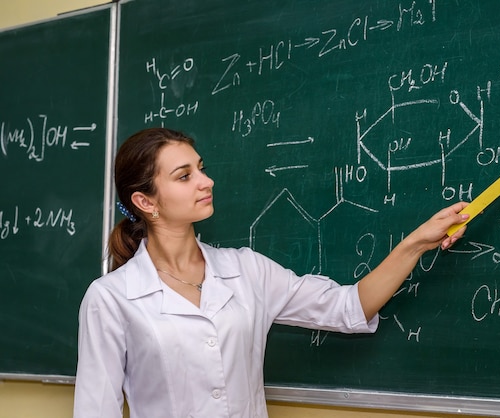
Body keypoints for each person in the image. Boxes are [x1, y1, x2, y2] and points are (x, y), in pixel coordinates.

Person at [73, 127, 469, 418]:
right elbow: (96, 409)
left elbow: (348, 306)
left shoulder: (246, 269)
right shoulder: (111, 298)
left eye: (201, 168)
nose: (206, 181)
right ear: (145, 201)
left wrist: (417, 241)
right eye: (184, 176)